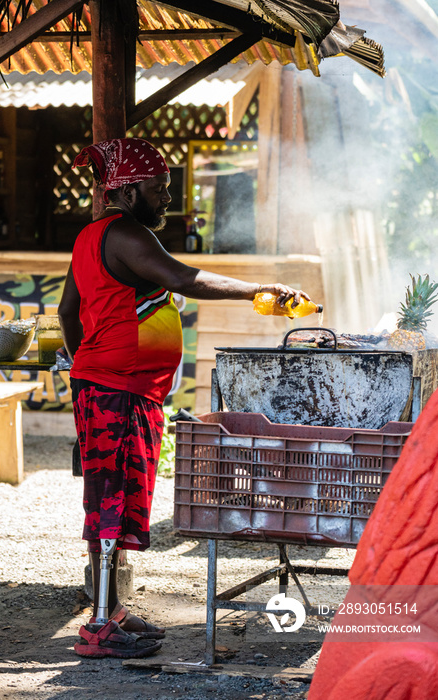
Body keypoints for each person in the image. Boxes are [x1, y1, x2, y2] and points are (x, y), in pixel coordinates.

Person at [58, 137, 312, 659]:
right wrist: (258, 290)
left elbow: (67, 310)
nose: (168, 196)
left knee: (118, 497)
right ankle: (100, 627)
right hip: (117, 391)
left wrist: (88, 363)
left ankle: (112, 609)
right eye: (160, 187)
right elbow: (183, 278)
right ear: (128, 191)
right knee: (109, 499)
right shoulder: (126, 233)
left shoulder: (91, 236)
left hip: (114, 386)